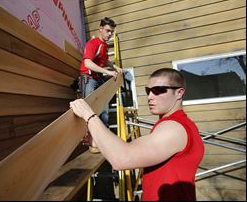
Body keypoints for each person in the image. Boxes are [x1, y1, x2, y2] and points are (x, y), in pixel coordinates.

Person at [70, 68, 205, 201]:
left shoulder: (174, 128)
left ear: (179, 92)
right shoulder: (175, 125)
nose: (150, 96)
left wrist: (89, 115)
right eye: (148, 91)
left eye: (158, 90)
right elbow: (130, 149)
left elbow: (122, 159)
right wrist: (98, 142)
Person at [79, 17, 123, 153]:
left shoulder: (103, 46)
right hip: (89, 79)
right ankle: (92, 144)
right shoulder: (93, 43)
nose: (110, 34)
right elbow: (87, 63)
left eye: (112, 32)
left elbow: (104, 61)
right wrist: (107, 72)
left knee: (104, 110)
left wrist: (114, 67)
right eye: (108, 31)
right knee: (91, 110)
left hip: (97, 79)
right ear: (101, 29)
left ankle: (102, 141)